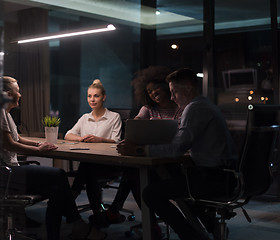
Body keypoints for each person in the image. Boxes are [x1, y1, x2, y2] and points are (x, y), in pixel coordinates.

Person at [0, 73, 107, 240]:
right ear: (8, 94)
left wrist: (37, 144)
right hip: (5, 173)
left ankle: (58, 233)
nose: (21, 94)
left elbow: (17, 138)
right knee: (59, 175)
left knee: (56, 190)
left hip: (10, 171)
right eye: (18, 91)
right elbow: (9, 145)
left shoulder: (6, 113)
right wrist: (39, 151)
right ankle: (76, 223)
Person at [117, 68, 238, 240]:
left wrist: (139, 150)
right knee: (172, 176)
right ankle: (211, 226)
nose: (172, 97)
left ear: (188, 87)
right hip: (224, 175)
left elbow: (176, 149)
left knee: (151, 193)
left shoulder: (194, 109)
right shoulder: (206, 105)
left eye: (174, 92)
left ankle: (191, 236)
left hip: (214, 179)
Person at [100, 66, 182, 234]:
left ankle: (118, 211)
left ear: (166, 86)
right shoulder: (148, 109)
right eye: (149, 91)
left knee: (134, 175)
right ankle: (147, 222)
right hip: (150, 162)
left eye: (155, 89)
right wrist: (129, 138)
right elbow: (135, 127)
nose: (152, 93)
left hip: (172, 163)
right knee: (135, 174)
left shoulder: (181, 109)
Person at [64, 79, 122, 223]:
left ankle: (70, 201)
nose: (92, 99)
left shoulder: (114, 117)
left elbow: (117, 141)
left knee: (86, 168)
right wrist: (81, 138)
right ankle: (97, 213)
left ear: (104, 97)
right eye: (89, 96)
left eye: (96, 96)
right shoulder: (85, 118)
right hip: (90, 164)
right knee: (88, 168)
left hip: (109, 164)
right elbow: (67, 135)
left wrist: (100, 139)